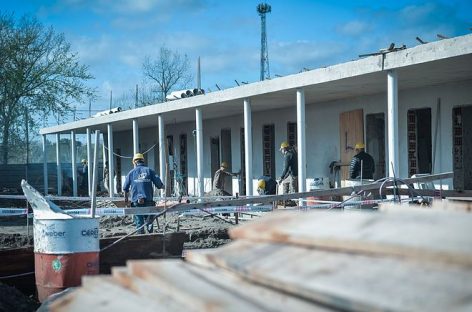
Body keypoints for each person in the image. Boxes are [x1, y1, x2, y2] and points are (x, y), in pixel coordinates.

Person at [123, 153, 164, 234]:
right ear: (143, 161)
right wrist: (165, 187)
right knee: (149, 223)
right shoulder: (150, 171)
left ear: (134, 162)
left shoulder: (131, 173)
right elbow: (159, 185)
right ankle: (151, 239)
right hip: (149, 201)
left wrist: (126, 199)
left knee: (139, 223)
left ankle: (140, 239)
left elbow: (125, 189)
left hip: (136, 203)